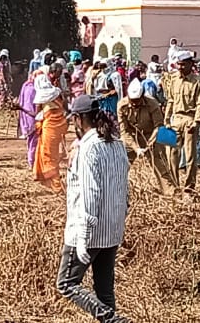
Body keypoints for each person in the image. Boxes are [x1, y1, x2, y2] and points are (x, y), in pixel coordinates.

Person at [56, 95, 132, 323]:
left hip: (88, 229)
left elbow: (91, 194)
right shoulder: (117, 144)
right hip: (112, 228)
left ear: (79, 119)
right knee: (104, 290)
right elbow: (124, 187)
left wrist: (83, 238)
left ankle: (113, 320)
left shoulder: (88, 150)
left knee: (67, 283)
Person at [117, 79, 176, 196]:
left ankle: (170, 191)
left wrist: (149, 145)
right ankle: (117, 190)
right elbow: (124, 131)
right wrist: (136, 148)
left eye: (137, 101)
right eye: (132, 100)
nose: (134, 103)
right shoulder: (121, 105)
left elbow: (159, 126)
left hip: (151, 135)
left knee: (160, 165)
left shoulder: (152, 103)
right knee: (121, 164)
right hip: (132, 137)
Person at [164, 50, 200, 196]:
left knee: (190, 155)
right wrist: (166, 119)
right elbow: (170, 100)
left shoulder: (197, 81)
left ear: (190, 65)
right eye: (178, 65)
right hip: (175, 119)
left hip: (189, 120)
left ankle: (189, 187)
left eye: (183, 65)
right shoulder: (173, 79)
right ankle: (174, 186)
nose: (180, 67)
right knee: (171, 153)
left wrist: (196, 122)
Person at [33, 74, 69, 193]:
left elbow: (36, 115)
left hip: (50, 128)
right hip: (61, 125)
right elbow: (64, 107)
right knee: (54, 155)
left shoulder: (41, 96)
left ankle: (57, 186)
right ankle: (54, 182)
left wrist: (21, 109)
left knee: (49, 156)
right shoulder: (56, 92)